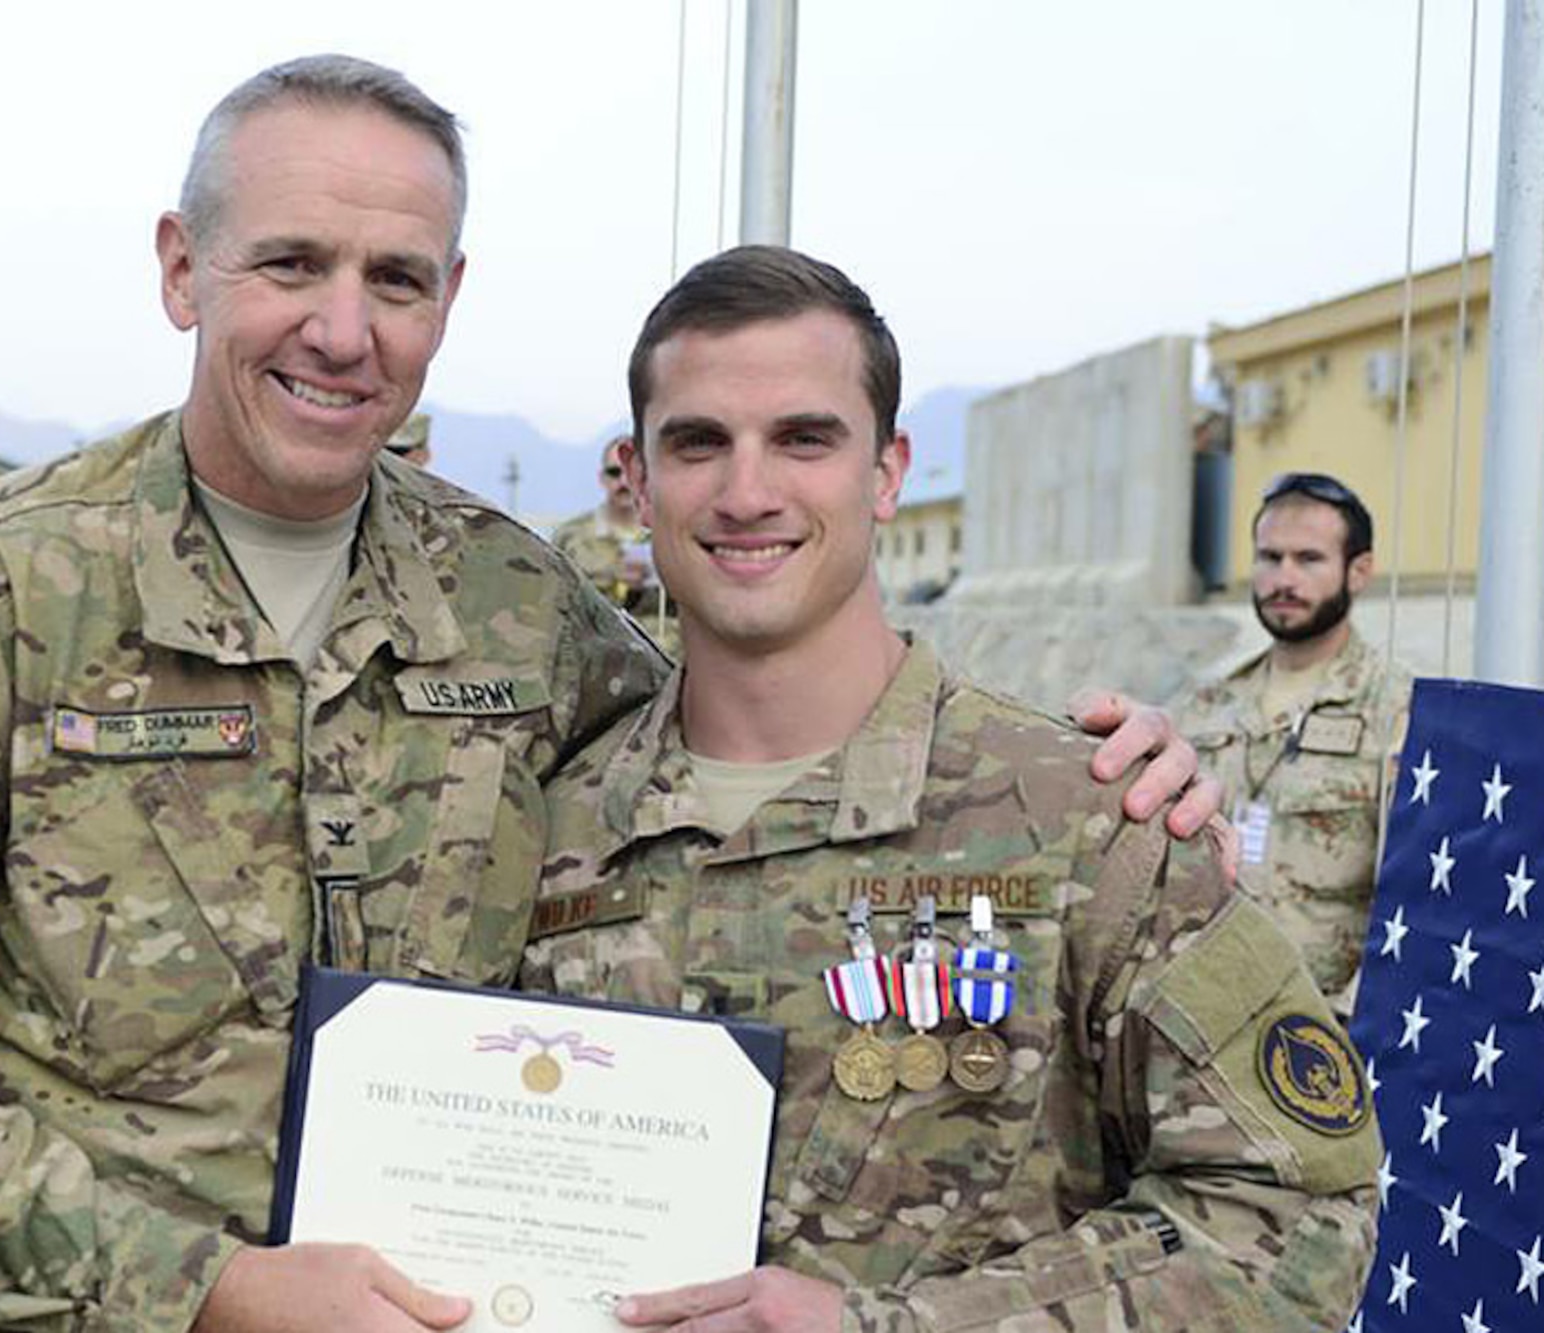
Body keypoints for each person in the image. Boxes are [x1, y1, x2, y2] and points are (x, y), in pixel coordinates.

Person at [0, 59, 1211, 1333]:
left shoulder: (515, 606)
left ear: (450, 297)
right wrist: (203, 1287)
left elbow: (767, 724)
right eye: (291, 264)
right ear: (183, 267)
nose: (342, 328)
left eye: (397, 279)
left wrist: (1105, 776)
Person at [522, 247, 1378, 1331]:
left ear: (886, 471)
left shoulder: (1087, 818)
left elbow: (1295, 1212)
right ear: (635, 480)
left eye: (802, 438)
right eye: (698, 443)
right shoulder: (543, 827)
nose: (746, 492)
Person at [1174, 472, 1412, 1017]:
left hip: (1322, 1028)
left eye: (1308, 559)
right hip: (1199, 1015)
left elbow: (1411, 899)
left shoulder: (1397, 712)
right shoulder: (1204, 706)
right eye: (1269, 557)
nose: (1283, 578)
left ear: (1359, 571)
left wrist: (1353, 1027)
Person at [552, 434, 675, 650]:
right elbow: (555, 608)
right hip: (596, 663)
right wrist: (612, 582)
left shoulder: (673, 534)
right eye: (614, 473)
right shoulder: (570, 537)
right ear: (602, 479)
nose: (623, 482)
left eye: (632, 472)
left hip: (668, 663)